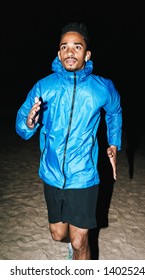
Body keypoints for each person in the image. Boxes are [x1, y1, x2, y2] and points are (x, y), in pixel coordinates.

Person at [15, 22, 122, 260]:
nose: (70, 52)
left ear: (87, 54)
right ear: (58, 53)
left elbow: (115, 112)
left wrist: (113, 142)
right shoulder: (44, 86)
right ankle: (70, 246)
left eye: (76, 46)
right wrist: (29, 123)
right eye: (64, 47)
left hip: (84, 175)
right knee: (57, 234)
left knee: (79, 240)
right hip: (52, 173)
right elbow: (22, 125)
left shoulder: (102, 87)